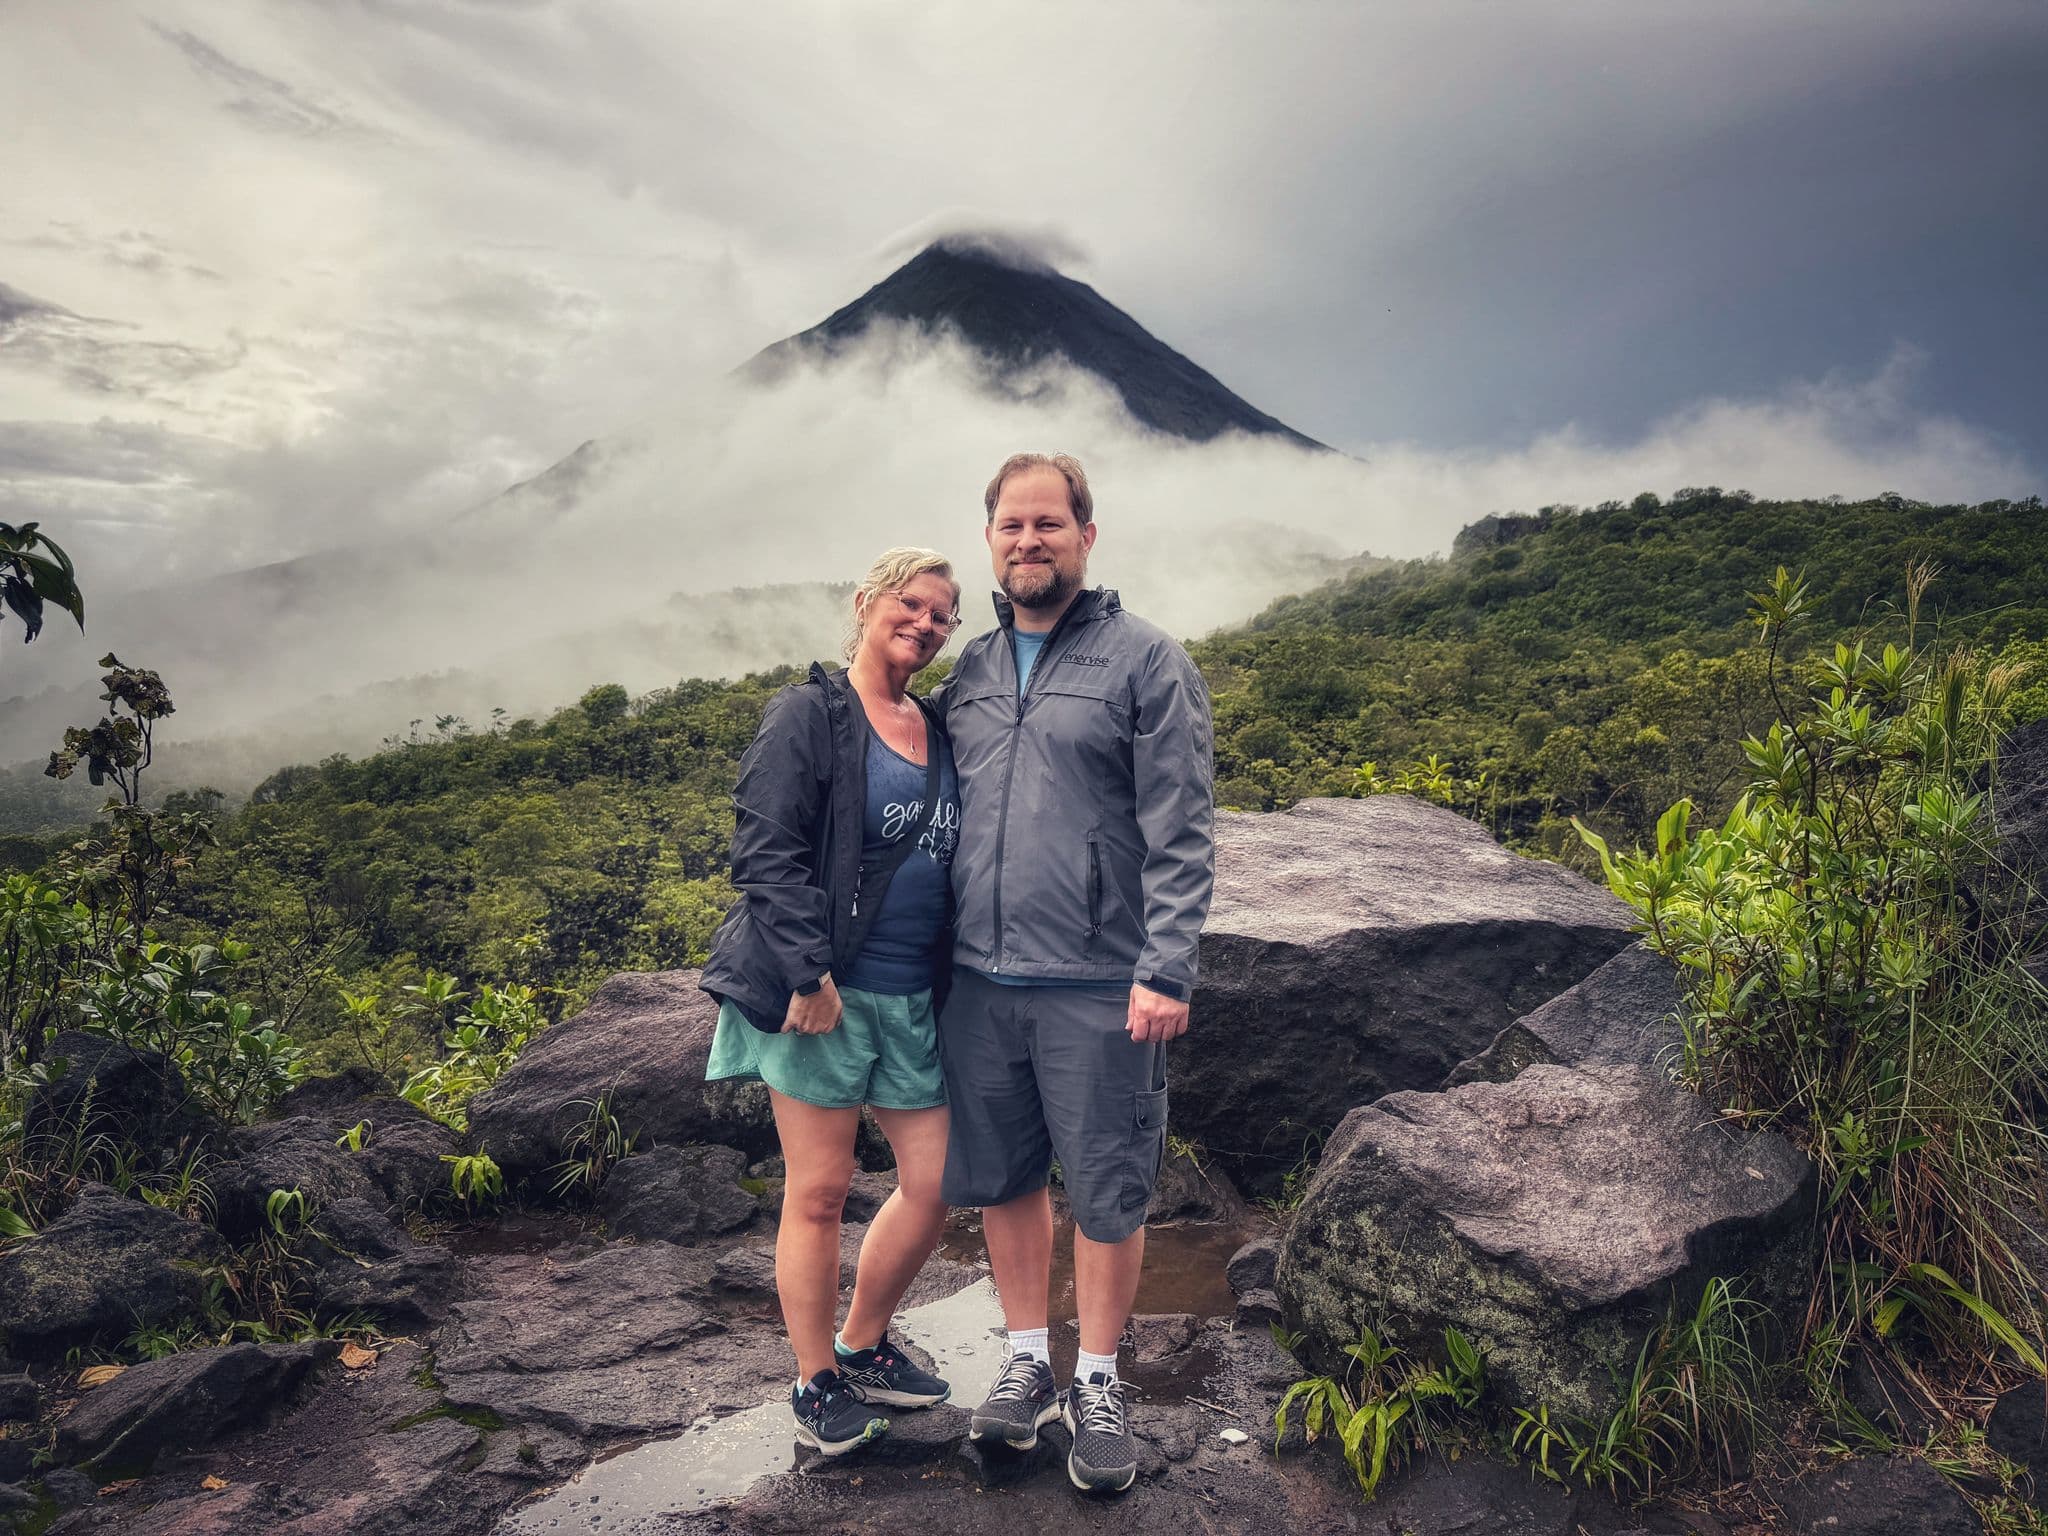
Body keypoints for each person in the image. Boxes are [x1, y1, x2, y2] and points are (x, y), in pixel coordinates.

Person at [930, 453, 1216, 1494]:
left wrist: (1166, 966)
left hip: (1101, 977)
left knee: (1106, 1187)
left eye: (1048, 523)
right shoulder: (966, 668)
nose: (1028, 541)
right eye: (1010, 526)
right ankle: (1021, 1361)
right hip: (976, 978)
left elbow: (1179, 827)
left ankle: (1095, 1378)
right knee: (1002, 1178)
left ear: (1086, 537)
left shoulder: (1144, 661)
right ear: (990, 541)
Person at [699, 547, 966, 1457]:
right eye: (911, 604)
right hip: (827, 995)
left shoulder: (937, 725)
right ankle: (815, 1379)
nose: (925, 624)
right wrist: (808, 976)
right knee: (817, 1194)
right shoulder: (809, 714)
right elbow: (763, 853)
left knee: (934, 1183)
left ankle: (863, 1344)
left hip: (909, 998)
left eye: (943, 615)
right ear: (865, 603)